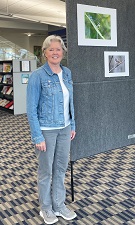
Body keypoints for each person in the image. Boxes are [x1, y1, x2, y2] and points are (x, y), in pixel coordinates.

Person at [27, 35, 76, 224]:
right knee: (46, 171)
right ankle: (46, 208)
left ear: (63, 52)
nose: (55, 52)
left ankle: (59, 205)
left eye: (59, 49)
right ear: (45, 53)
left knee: (61, 168)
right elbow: (31, 109)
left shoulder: (67, 72)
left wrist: (72, 124)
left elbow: (70, 102)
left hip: (64, 129)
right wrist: (37, 135)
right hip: (46, 130)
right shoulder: (37, 76)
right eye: (51, 49)